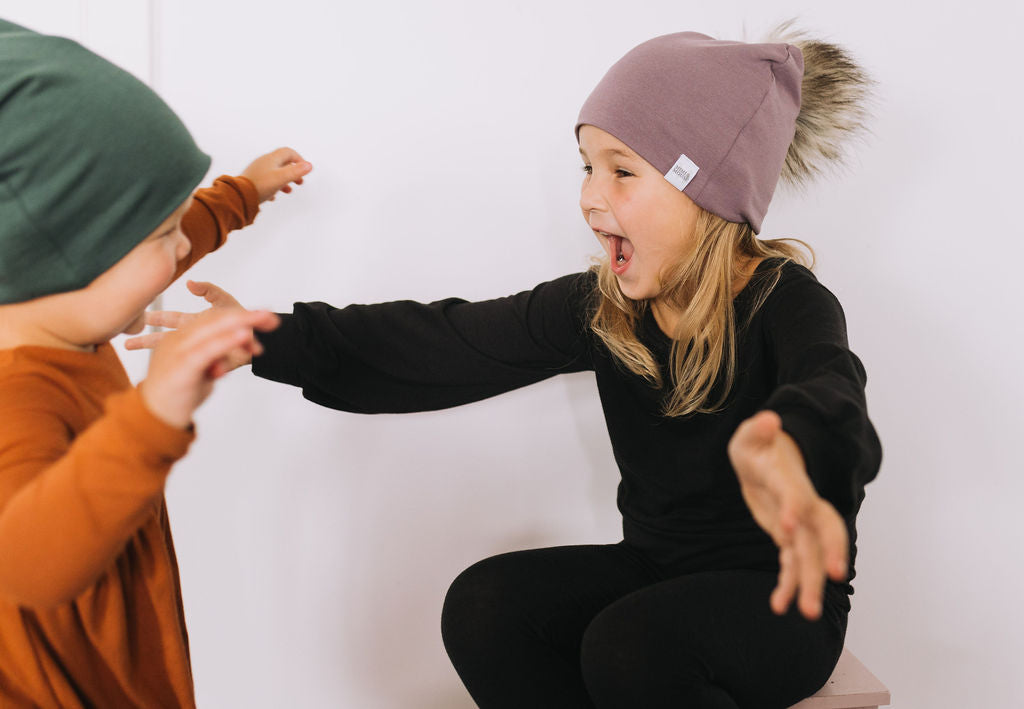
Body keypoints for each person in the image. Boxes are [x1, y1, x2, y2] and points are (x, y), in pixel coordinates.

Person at [133, 26, 882, 709]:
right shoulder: (607, 306)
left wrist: (793, 442)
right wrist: (270, 336)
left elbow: (830, 388)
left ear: (706, 189)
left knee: (633, 645)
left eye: (623, 172)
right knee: (487, 604)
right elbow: (445, 341)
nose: (590, 197)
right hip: (659, 567)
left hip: (783, 601)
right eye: (587, 166)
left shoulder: (787, 303)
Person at [0, 19, 311, 708]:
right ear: (60, 257)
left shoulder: (62, 315)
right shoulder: (17, 395)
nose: (181, 247)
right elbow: (27, 566)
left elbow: (162, 242)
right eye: (161, 232)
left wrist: (242, 194)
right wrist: (153, 415)